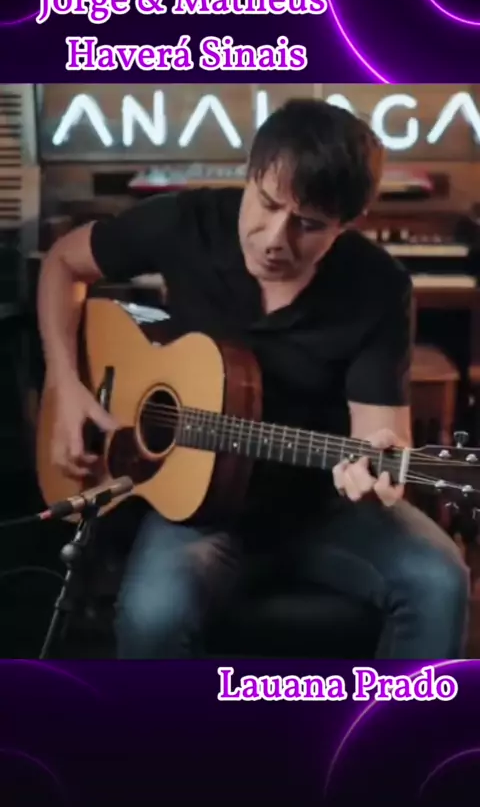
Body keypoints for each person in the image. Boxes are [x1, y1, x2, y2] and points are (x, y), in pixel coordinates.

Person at [37, 98, 469, 659]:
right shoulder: (188, 222)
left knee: (440, 579)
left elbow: (380, 436)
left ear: (346, 224)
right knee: (153, 615)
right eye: (266, 203)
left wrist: (377, 469)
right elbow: (63, 263)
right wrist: (65, 384)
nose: (274, 239)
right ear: (250, 174)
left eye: (308, 225)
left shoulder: (378, 286)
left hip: (321, 507)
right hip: (199, 508)